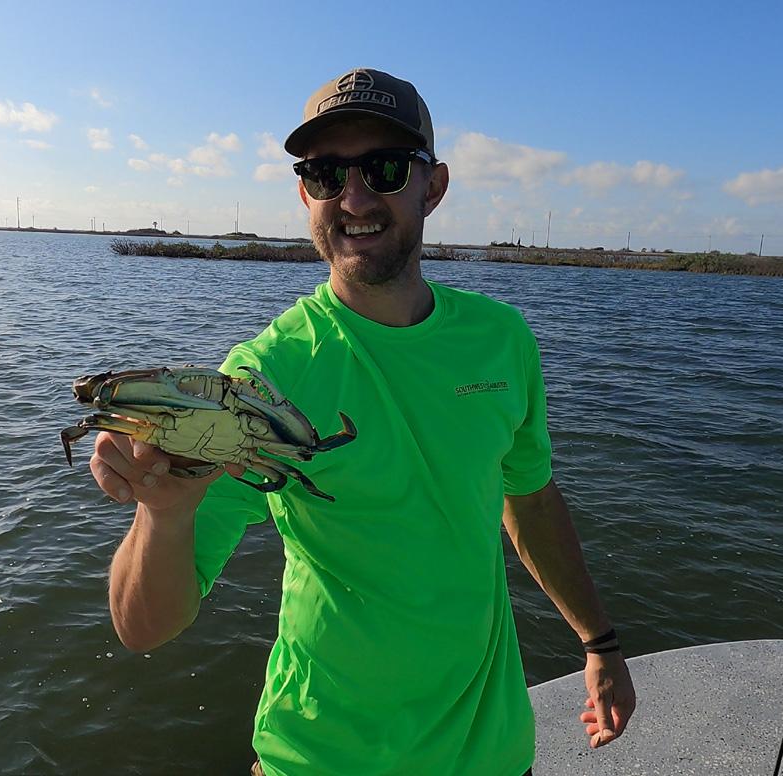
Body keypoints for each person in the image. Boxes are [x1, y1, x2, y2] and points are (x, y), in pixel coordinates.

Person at [92, 68, 636, 776]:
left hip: (492, 752)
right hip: (320, 756)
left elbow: (527, 498)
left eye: (384, 169)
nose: (352, 198)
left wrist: (598, 642)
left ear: (432, 187)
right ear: (304, 195)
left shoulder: (501, 340)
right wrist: (164, 515)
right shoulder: (265, 376)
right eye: (325, 174)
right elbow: (142, 628)